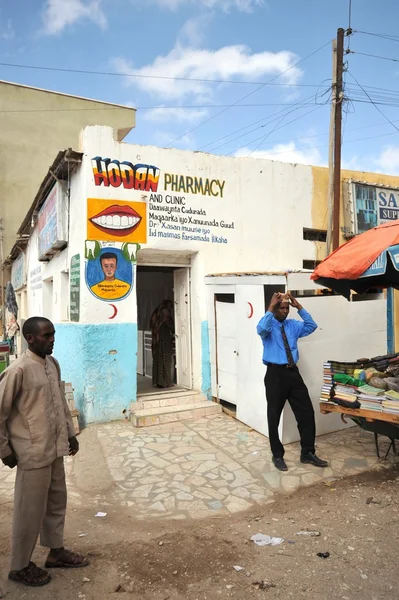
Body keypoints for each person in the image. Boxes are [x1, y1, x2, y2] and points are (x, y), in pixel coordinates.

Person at [0, 317, 88, 587]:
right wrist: (4, 449)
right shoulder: (18, 370)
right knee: (29, 512)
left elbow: (59, 401)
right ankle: (20, 566)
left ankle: (56, 551)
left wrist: (70, 434)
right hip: (32, 453)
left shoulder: (52, 364)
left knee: (56, 502)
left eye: (53, 335)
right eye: (46, 336)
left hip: (54, 450)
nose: (52, 340)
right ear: (30, 338)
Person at [257, 292, 328, 472]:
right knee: (273, 416)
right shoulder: (269, 325)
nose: (285, 311)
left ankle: (307, 453)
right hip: (274, 374)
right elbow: (261, 330)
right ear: (274, 308)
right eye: (282, 308)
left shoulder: (293, 325)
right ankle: (277, 455)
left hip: (293, 374)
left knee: (306, 412)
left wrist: (299, 307)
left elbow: (312, 326)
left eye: (287, 308)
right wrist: (270, 308)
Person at [150, 300, 174, 389]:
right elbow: (172, 326)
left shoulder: (155, 313)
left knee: (157, 361)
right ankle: (167, 382)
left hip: (156, 341)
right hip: (164, 340)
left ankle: (158, 382)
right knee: (166, 361)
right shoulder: (165, 313)